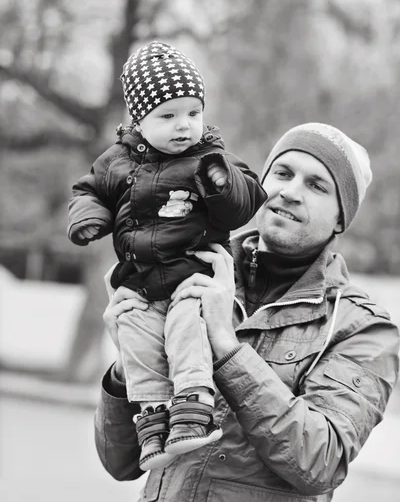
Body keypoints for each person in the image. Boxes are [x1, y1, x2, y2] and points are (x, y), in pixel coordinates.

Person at [95, 122, 399, 502]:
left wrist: (225, 344)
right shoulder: (182, 270)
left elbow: (321, 462)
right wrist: (130, 364)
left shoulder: (362, 327)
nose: (290, 192)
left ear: (341, 217)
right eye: (283, 174)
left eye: (317, 185)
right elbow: (121, 463)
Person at [67, 41, 267, 471]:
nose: (184, 126)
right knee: (134, 331)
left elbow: (249, 196)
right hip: (138, 278)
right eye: (168, 115)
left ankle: (192, 408)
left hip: (191, 274)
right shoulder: (116, 161)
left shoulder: (211, 157)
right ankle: (151, 419)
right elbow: (89, 189)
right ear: (139, 120)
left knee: (185, 326)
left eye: (193, 113)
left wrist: (220, 180)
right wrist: (89, 218)